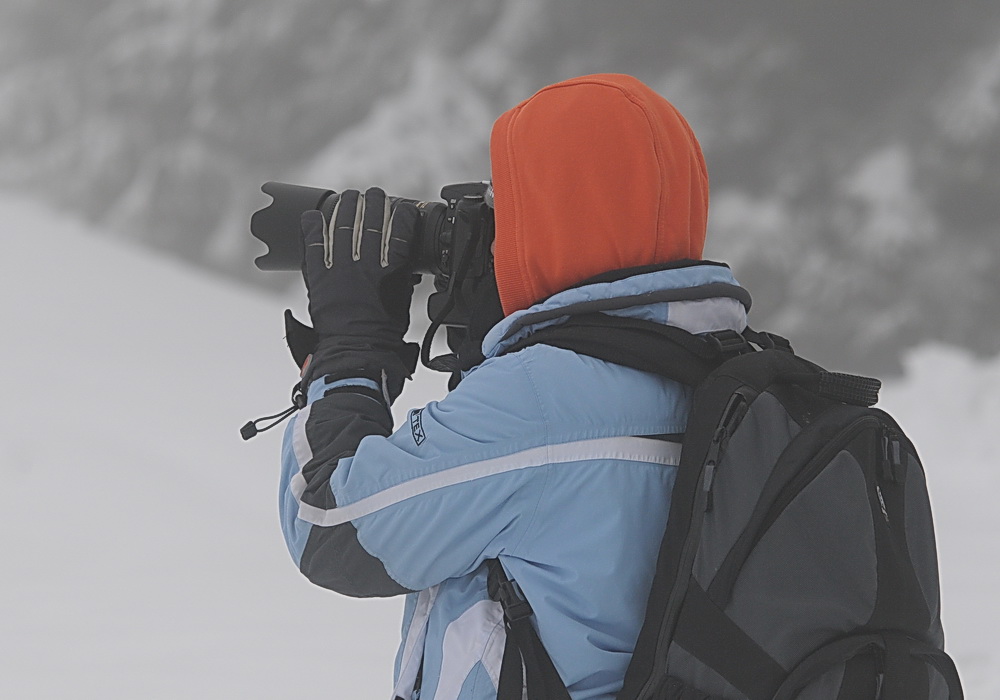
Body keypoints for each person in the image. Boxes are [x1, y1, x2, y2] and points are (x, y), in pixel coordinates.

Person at [277, 73, 751, 700]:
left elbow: (329, 524)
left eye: (510, 200)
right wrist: (499, 344)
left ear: (553, 212)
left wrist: (351, 352)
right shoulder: (731, 379)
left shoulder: (540, 403)